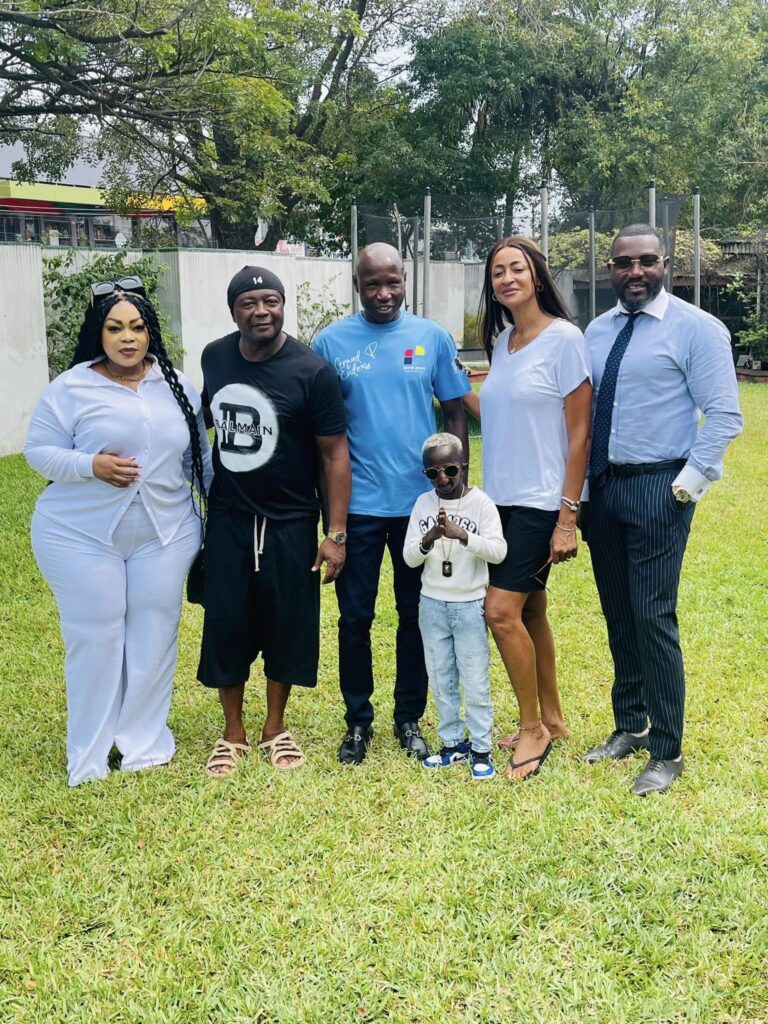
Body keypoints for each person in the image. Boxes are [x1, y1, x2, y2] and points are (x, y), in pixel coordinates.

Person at [25, 279, 212, 786]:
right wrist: (91, 464)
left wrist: (222, 514)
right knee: (97, 638)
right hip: (79, 535)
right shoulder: (72, 387)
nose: (127, 338)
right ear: (98, 333)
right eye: (114, 328)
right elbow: (38, 452)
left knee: (154, 638)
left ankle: (143, 744)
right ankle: (88, 755)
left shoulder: (177, 384)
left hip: (166, 534)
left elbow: (199, 460)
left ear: (150, 332)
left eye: (136, 327)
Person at [581, 224, 743, 795]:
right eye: (623, 263)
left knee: (653, 616)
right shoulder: (596, 332)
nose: (635, 272)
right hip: (603, 488)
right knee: (618, 614)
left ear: (666, 264)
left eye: (647, 261)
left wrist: (684, 488)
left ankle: (667, 749)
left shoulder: (697, 329)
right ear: (610, 269)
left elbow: (725, 414)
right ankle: (630, 725)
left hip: (660, 487)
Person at [313, 242, 470, 765]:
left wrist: (456, 487)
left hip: (418, 508)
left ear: (405, 280)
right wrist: (331, 518)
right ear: (357, 285)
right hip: (356, 506)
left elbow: (455, 413)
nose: (384, 293)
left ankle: (409, 718)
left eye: (393, 282)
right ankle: (357, 721)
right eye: (373, 284)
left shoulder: (432, 337)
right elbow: (322, 435)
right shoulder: (330, 342)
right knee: (354, 619)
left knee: (415, 615)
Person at [198, 266, 350, 777]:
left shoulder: (312, 371)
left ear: (283, 306)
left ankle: (274, 728)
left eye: (271, 301)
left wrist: (335, 533)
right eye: (249, 303)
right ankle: (232, 732)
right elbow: (207, 419)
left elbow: (334, 455)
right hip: (229, 517)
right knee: (226, 622)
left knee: (287, 624)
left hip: (290, 520)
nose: (261, 311)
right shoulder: (215, 357)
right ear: (233, 310)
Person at [463, 236, 592, 780]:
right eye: (498, 272)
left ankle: (531, 728)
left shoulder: (565, 340)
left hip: (542, 502)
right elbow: (499, 414)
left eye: (516, 268)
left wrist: (568, 516)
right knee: (531, 611)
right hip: (501, 501)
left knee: (499, 612)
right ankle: (554, 719)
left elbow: (580, 433)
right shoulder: (503, 343)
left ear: (536, 275)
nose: (507, 278)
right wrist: (452, 385)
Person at [403, 433, 507, 779]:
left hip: (470, 603)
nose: (442, 479)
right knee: (440, 677)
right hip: (431, 604)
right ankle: (452, 744)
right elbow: (409, 558)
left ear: (463, 466)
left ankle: (481, 748)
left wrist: (463, 536)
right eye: (433, 473)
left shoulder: (481, 503)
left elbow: (499, 551)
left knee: (475, 679)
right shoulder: (423, 504)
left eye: (449, 470)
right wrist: (429, 538)